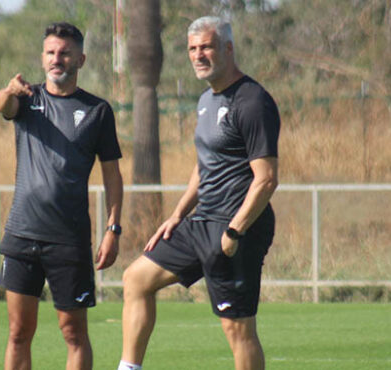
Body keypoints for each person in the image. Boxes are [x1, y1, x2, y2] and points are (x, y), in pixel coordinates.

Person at [118, 16, 280, 370]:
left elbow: (266, 179)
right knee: (136, 279)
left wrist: (234, 231)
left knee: (238, 331)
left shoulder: (252, 101)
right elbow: (205, 163)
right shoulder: (206, 100)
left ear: (228, 48)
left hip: (236, 227)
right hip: (200, 222)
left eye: (205, 46)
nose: (198, 55)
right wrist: (177, 215)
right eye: (192, 48)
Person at [0, 22, 123, 370]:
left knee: (74, 333)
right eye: (51, 52)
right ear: (42, 57)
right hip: (21, 234)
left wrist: (113, 229)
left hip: (69, 240)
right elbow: (1, 106)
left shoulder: (98, 111)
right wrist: (9, 90)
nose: (57, 59)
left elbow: (112, 173)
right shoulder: (26, 99)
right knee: (19, 332)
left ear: (80, 59)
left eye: (64, 52)